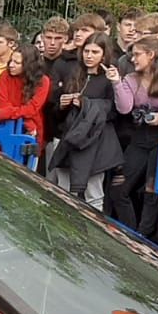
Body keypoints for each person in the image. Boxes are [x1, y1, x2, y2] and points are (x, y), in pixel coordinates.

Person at [111, 38, 158, 236]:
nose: (132, 59)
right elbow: (124, 108)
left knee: (152, 190)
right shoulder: (132, 78)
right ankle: (129, 232)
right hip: (140, 136)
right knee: (119, 188)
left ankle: (144, 236)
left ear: (151, 55)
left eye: (137, 54)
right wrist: (117, 82)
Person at [49, 32, 121, 210]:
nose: (89, 56)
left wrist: (85, 104)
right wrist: (62, 104)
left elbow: (114, 111)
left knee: (93, 194)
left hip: (97, 141)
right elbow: (56, 112)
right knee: (63, 189)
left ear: (104, 55)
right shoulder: (74, 73)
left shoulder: (109, 78)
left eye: (95, 52)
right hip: (70, 137)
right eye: (86, 51)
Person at [0, 42, 52, 149]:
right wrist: (26, 120)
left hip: (30, 132)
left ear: (29, 66)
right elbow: (0, 104)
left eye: (17, 63)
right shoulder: (5, 75)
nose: (11, 65)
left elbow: (32, 109)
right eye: (11, 60)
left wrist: (24, 121)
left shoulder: (43, 81)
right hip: (4, 129)